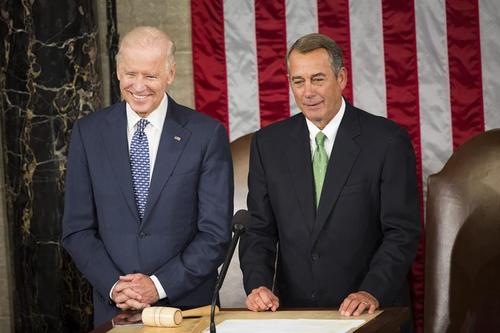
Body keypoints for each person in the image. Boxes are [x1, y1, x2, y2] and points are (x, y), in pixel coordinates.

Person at [239, 33, 420, 330]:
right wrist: (258, 285)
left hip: (371, 313)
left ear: (342, 78)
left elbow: (402, 232)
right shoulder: (268, 145)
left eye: (318, 79)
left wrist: (371, 290)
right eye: (298, 82)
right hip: (295, 316)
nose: (308, 92)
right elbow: (258, 229)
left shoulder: (387, 141)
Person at [62, 26, 233, 326]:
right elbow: (77, 229)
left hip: (188, 310)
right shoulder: (88, 134)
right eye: (131, 74)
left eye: (151, 76)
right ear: (117, 71)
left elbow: (215, 234)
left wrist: (158, 285)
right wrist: (116, 286)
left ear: (170, 74)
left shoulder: (207, 135)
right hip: (115, 310)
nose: (139, 86)